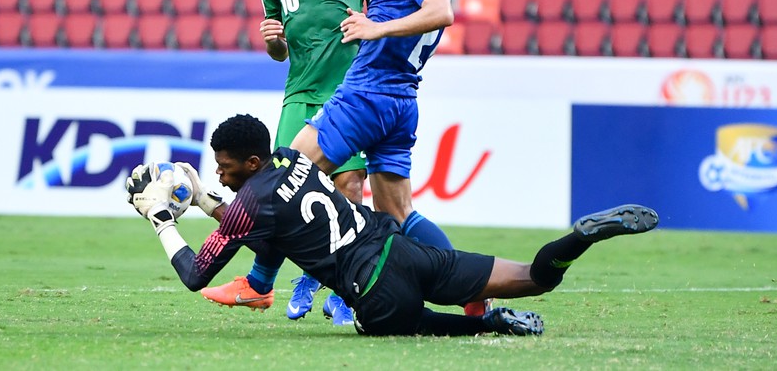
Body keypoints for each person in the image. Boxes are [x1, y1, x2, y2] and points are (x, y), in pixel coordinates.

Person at [125, 113, 660, 337]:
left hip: (374, 291)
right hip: (401, 248)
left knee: (414, 325)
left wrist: (162, 221)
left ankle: (492, 325)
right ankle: (578, 238)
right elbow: (260, 223)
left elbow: (197, 273)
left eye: (225, 166)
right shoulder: (290, 159)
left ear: (250, 163)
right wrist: (202, 197)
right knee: (535, 276)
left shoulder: (251, 203)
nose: (221, 172)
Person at [200, 0, 458, 324]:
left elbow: (435, 9)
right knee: (396, 211)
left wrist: (373, 29)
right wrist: (275, 44)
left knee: (287, 184)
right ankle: (462, 280)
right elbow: (414, 10)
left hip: (359, 97)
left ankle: (272, 281)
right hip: (365, 96)